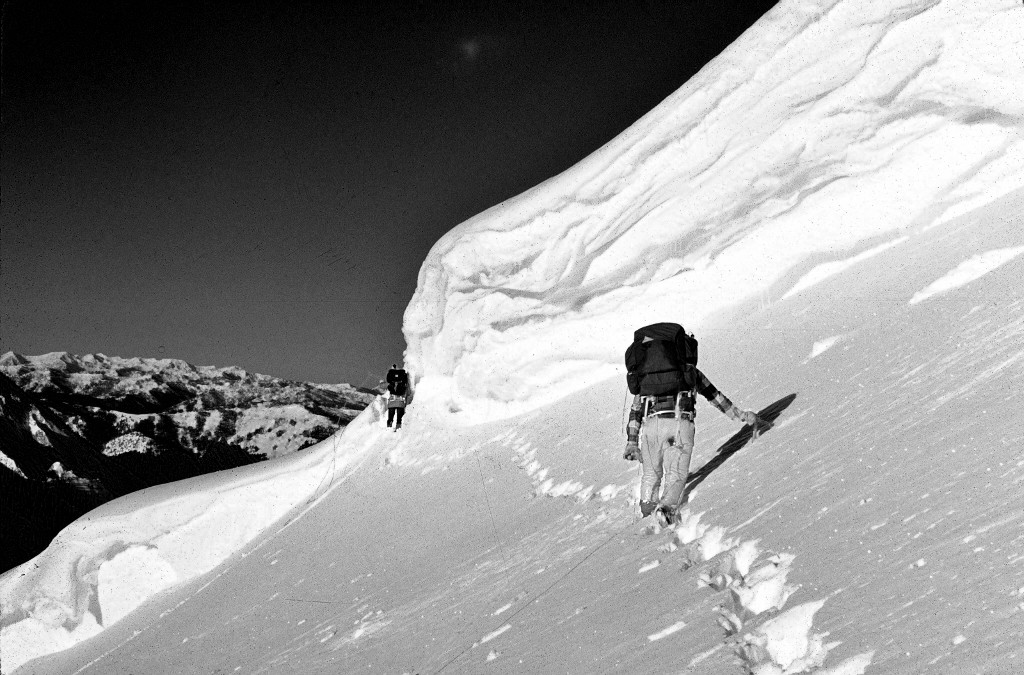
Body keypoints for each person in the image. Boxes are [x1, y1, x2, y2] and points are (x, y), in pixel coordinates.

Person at [624, 336, 759, 526]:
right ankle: (665, 513)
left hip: (651, 426)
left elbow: (637, 409)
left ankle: (646, 513)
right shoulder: (690, 372)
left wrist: (631, 442)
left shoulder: (647, 378)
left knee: (650, 474)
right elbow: (715, 397)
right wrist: (742, 416)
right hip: (680, 423)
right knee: (676, 474)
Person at [385, 364, 409, 430]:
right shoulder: (403, 376)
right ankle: (398, 429)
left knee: (390, 416)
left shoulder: (391, 377)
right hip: (400, 400)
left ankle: (389, 428)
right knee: (399, 418)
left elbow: (388, 382)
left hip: (392, 400)